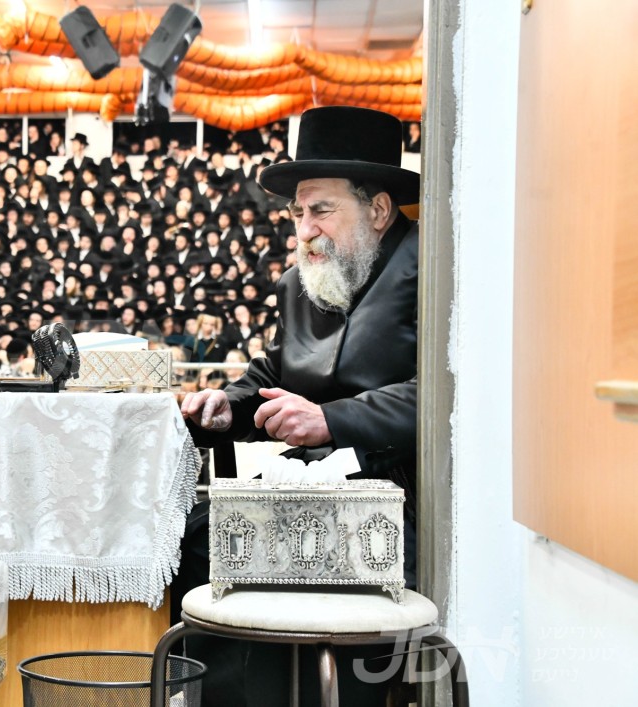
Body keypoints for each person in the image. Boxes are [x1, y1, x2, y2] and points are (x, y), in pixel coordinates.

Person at [178, 106, 421, 707]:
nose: (304, 231)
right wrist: (227, 406)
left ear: (378, 209)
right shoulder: (300, 281)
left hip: (394, 494)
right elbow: (270, 374)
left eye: (321, 211)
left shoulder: (431, 269)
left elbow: (442, 395)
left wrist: (332, 419)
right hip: (306, 482)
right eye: (297, 213)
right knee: (195, 541)